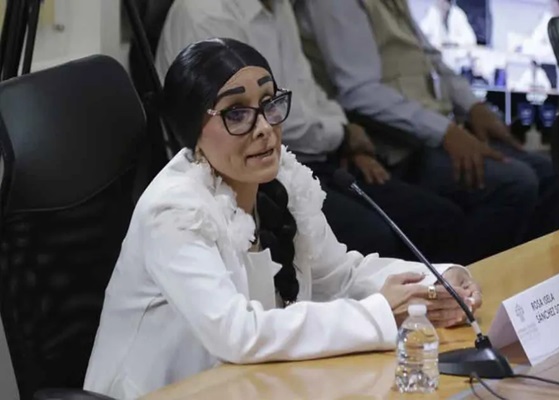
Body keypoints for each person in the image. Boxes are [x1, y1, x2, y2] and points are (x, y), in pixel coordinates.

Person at [83, 38, 482, 399]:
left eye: (270, 104)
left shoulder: (282, 179)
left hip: (247, 384)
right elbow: (237, 334)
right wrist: (380, 313)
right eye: (236, 113)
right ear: (192, 130)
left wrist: (436, 281)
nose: (264, 128)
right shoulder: (172, 210)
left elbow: (340, 276)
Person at [156, 0, 477, 264]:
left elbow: (307, 92)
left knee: (437, 217)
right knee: (375, 236)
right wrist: (342, 135)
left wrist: (345, 132)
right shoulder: (205, 13)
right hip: (245, 175)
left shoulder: (279, 6)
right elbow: (258, 120)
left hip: (301, 159)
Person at [295, 0, 559, 262]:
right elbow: (359, 91)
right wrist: (446, 132)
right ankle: (469, 283)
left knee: (550, 174)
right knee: (515, 184)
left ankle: (535, 282)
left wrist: (473, 106)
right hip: (393, 145)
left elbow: (429, 56)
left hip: (431, 128)